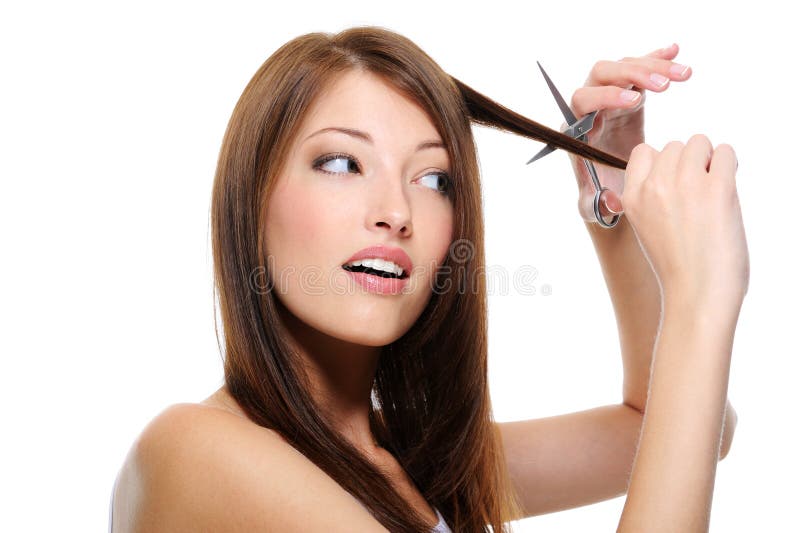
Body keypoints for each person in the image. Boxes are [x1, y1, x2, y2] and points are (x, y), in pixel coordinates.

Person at [108, 26, 747, 532]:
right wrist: (697, 299)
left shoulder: (414, 460)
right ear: (250, 200)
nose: (396, 211)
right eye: (340, 162)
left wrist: (611, 215)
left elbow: (686, 428)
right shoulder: (194, 452)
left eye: (434, 178)